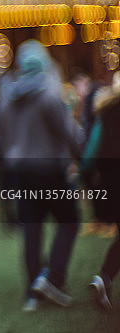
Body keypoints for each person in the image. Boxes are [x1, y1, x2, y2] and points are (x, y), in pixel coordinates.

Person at [0, 39, 82, 312]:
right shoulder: (49, 94)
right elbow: (68, 133)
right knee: (70, 220)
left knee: (32, 228)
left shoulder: (5, 96)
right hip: (49, 169)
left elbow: (1, 136)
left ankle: (33, 293)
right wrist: (83, 155)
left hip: (20, 170)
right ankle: (52, 276)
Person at [80, 72, 120, 312]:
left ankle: (104, 277)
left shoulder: (105, 113)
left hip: (110, 183)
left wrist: (85, 174)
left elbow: (92, 151)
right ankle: (104, 277)